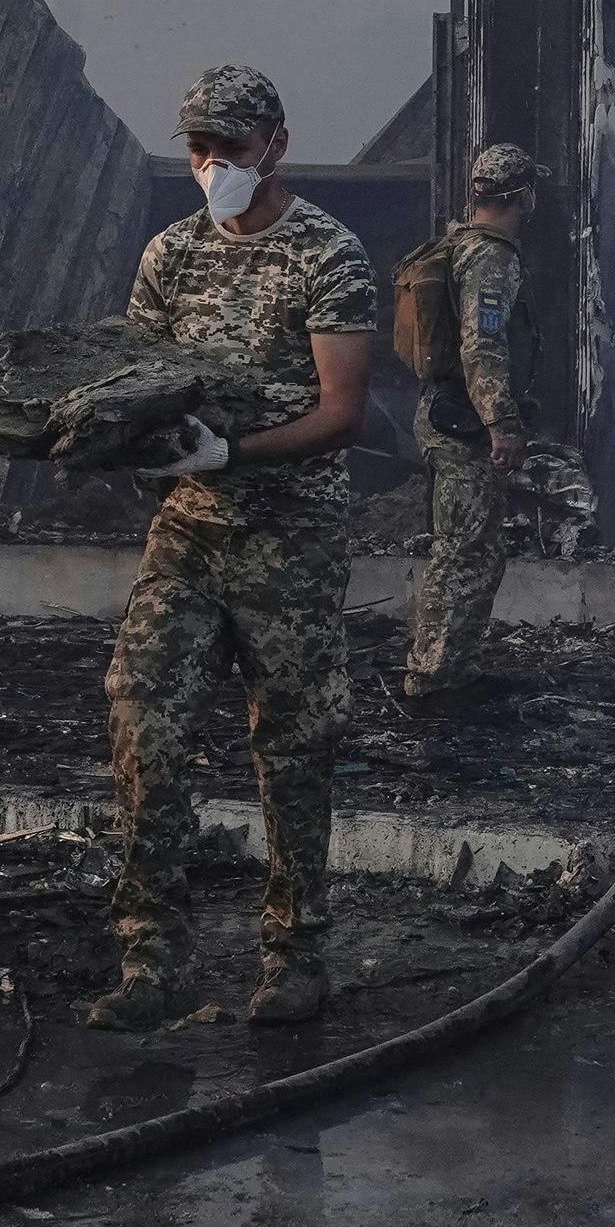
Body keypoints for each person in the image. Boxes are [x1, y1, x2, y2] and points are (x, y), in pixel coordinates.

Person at [92, 66, 376, 1031]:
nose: (214, 165)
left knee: (293, 743)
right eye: (199, 148)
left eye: (233, 147)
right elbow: (134, 381)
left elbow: (342, 413)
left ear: (276, 145)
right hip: (188, 531)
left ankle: (296, 954)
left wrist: (237, 451)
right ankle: (150, 959)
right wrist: (119, 441)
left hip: (289, 537)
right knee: (142, 717)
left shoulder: (328, 254)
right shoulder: (168, 255)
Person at [401, 142, 544, 710]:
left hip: (446, 411)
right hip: (464, 422)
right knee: (464, 553)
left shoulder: (456, 242)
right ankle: (434, 680)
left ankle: (452, 668)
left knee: (472, 549)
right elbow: (483, 344)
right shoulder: (490, 258)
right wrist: (501, 422)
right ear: (522, 196)